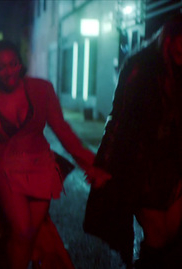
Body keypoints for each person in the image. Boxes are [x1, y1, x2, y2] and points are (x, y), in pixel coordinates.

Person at [0, 40, 110, 269]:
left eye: (13, 64)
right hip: (4, 170)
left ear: (20, 65)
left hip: (41, 167)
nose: (9, 71)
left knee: (29, 235)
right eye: (1, 67)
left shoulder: (41, 89)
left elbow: (61, 129)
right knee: (22, 231)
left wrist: (88, 164)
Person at [84, 14, 182, 269]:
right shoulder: (142, 67)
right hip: (142, 167)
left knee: (172, 237)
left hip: (174, 168)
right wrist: (103, 165)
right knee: (158, 236)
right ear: (169, 38)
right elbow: (119, 118)